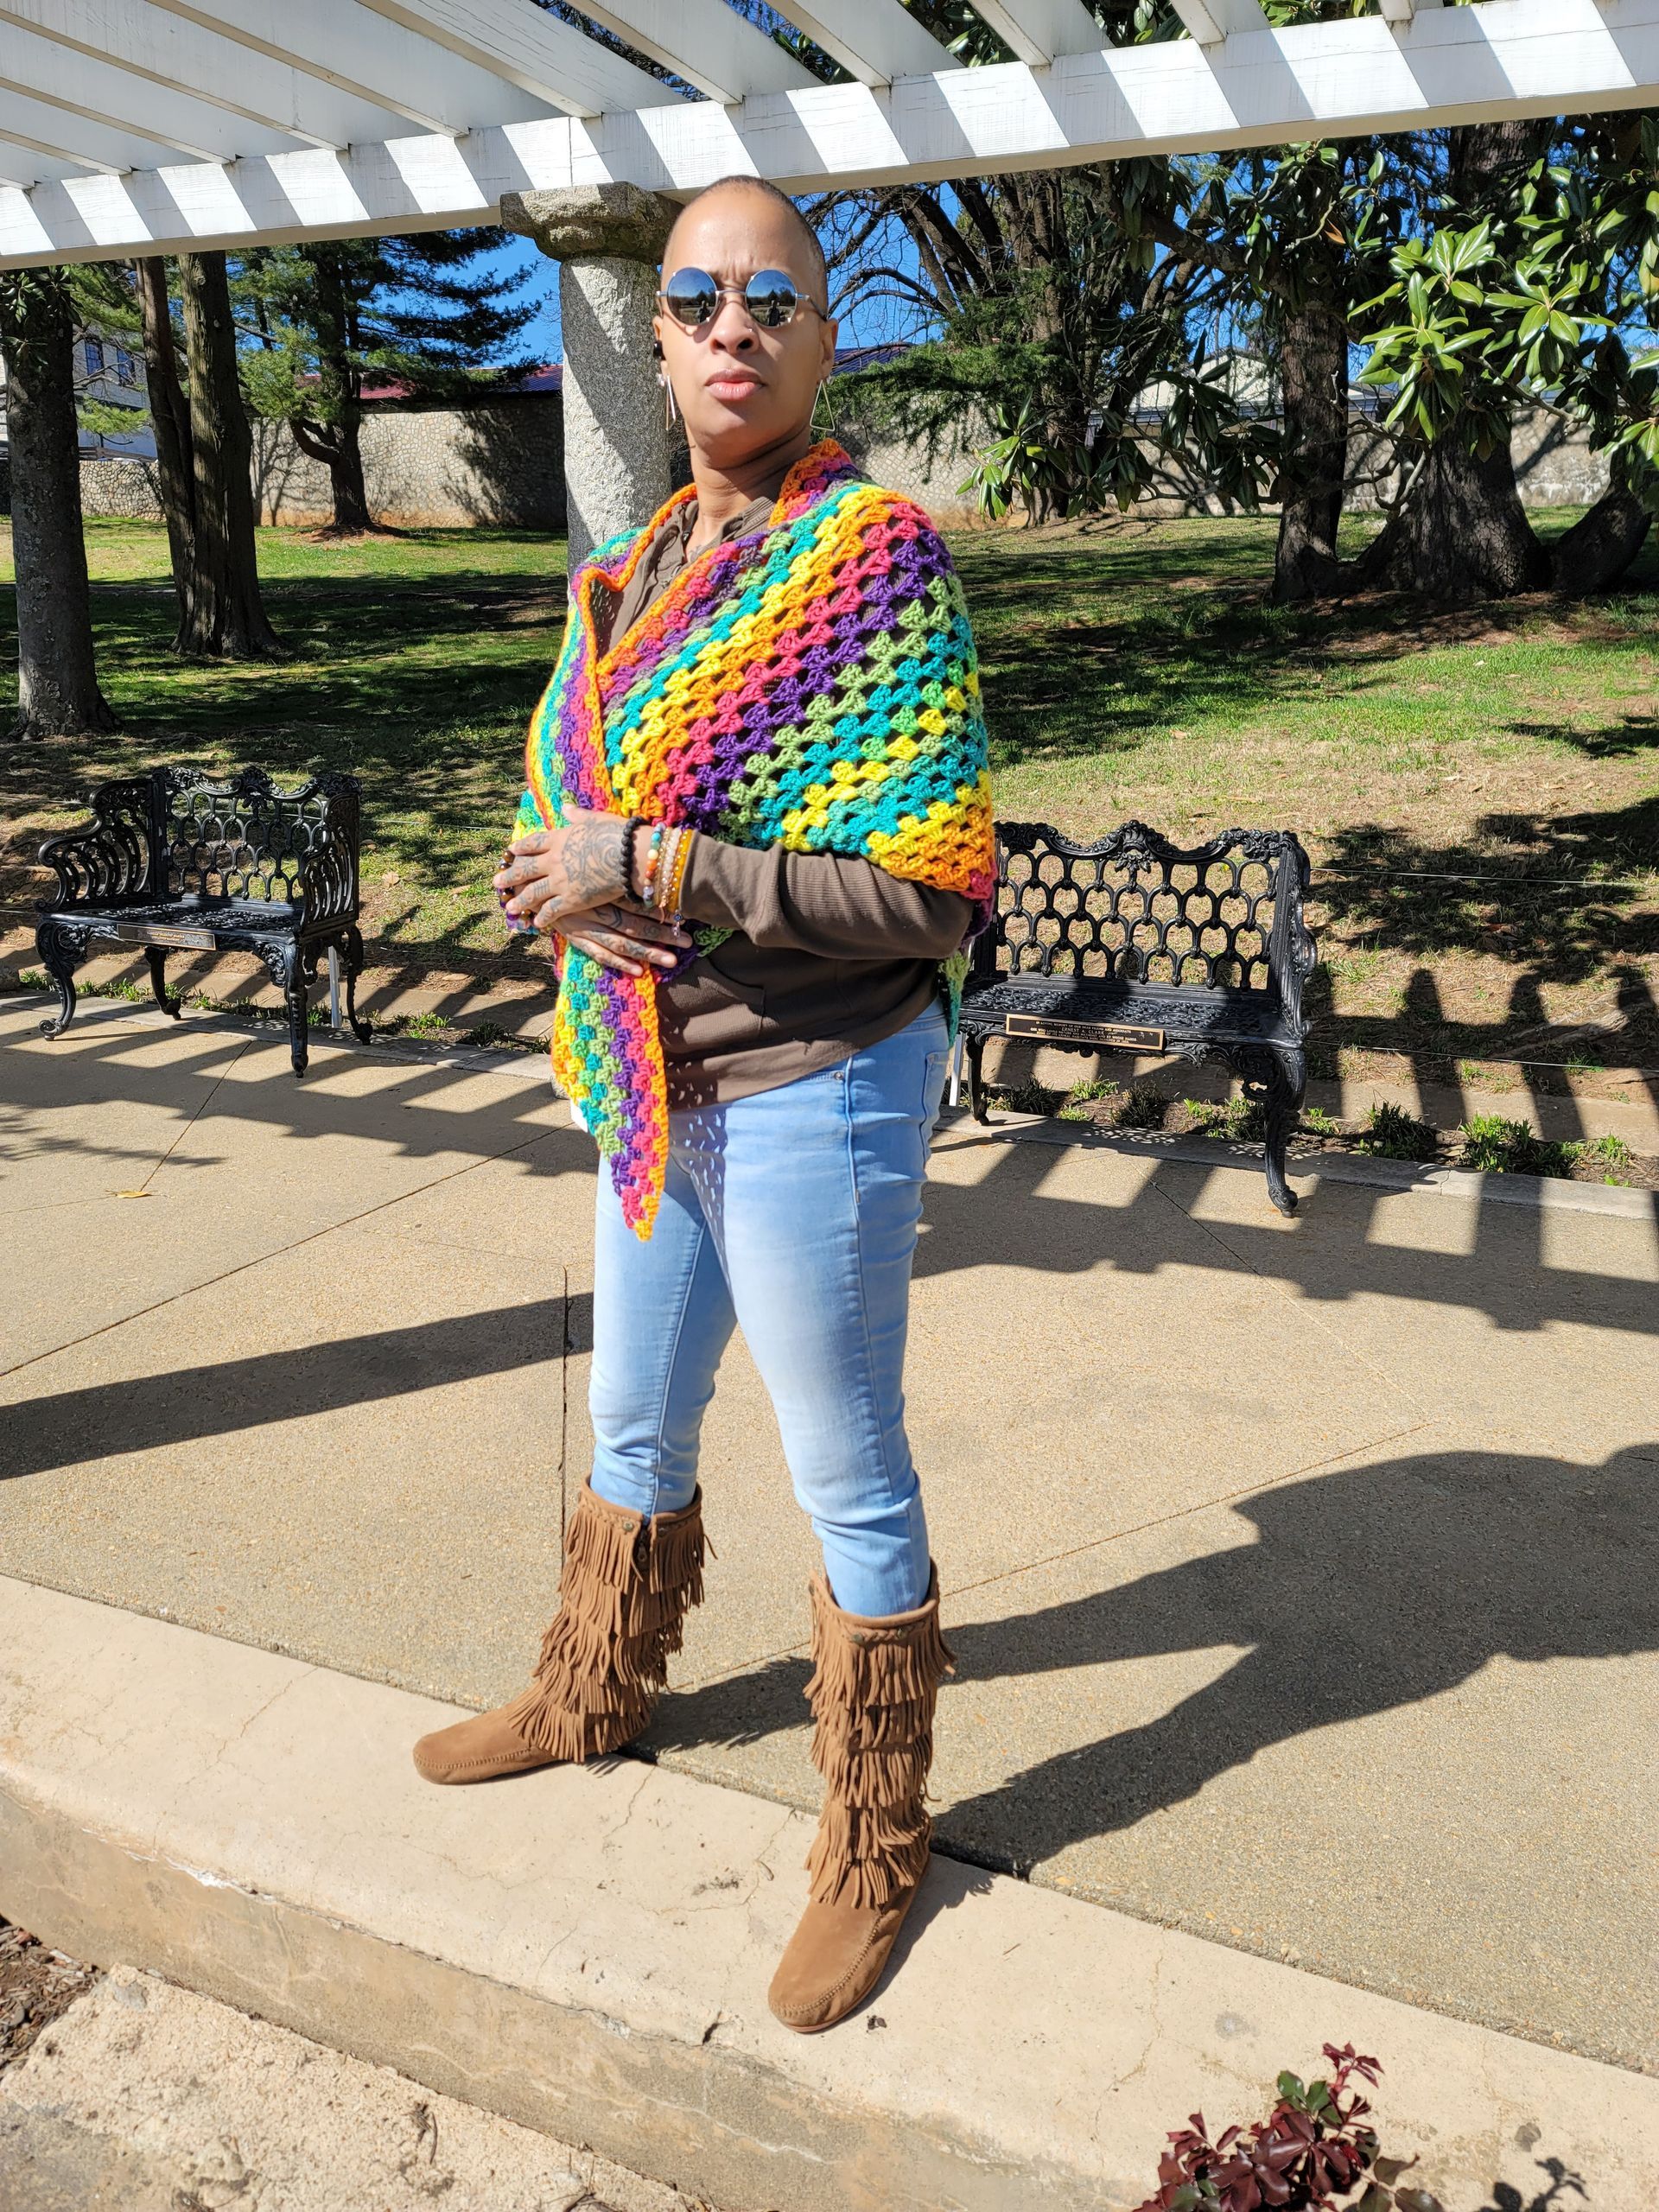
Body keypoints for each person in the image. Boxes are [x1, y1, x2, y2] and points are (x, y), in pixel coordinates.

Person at [412, 175, 995, 2034]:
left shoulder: (876, 556)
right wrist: (560, 878)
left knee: (849, 1469)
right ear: (656, 341)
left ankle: (872, 1839)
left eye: (772, 295)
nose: (732, 323)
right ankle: (593, 1679)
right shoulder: (630, 566)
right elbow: (567, 807)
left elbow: (926, 893)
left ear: (824, 338)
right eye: (696, 296)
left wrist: (655, 864)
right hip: (650, 1078)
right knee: (631, 1414)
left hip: (820, 1079)